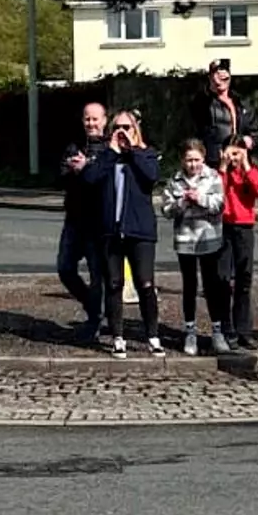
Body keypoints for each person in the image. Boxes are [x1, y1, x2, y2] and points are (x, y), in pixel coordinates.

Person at [82, 109, 161, 359]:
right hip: (111, 231)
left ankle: (152, 336)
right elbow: (90, 178)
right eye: (118, 127)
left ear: (136, 129)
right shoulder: (105, 156)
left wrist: (133, 150)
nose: (123, 132)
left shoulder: (146, 153)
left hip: (140, 231)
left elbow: (151, 177)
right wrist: (113, 151)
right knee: (114, 283)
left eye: (127, 127)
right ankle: (117, 336)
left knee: (145, 284)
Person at [160, 138, 229, 356]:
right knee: (189, 285)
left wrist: (200, 199)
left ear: (204, 158)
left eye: (197, 160)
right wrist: (182, 203)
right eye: (189, 160)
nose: (193, 165)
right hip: (185, 239)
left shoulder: (213, 177)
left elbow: (220, 204)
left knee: (211, 285)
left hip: (208, 238)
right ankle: (190, 331)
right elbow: (166, 209)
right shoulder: (175, 180)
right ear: (182, 160)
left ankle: (217, 331)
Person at [57, 102, 108, 345]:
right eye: (87, 119)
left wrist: (88, 169)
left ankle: (94, 320)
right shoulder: (74, 146)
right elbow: (60, 177)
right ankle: (92, 306)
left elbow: (106, 180)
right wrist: (72, 170)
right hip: (74, 219)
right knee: (65, 268)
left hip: (99, 222)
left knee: (98, 275)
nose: (91, 124)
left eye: (95, 119)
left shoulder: (110, 149)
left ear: (104, 120)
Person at [219, 135, 258, 353]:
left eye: (237, 153)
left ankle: (244, 330)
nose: (233, 158)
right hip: (224, 227)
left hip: (244, 227)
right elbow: (217, 193)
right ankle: (227, 330)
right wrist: (223, 166)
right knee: (224, 280)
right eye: (231, 153)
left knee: (244, 280)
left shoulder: (249, 171)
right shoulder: (221, 173)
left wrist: (245, 166)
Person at [199, 60, 258, 171]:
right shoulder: (204, 103)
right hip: (215, 162)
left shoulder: (241, 102)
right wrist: (212, 86)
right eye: (216, 75)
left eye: (224, 77)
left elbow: (256, 132)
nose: (220, 81)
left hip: (240, 161)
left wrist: (251, 140)